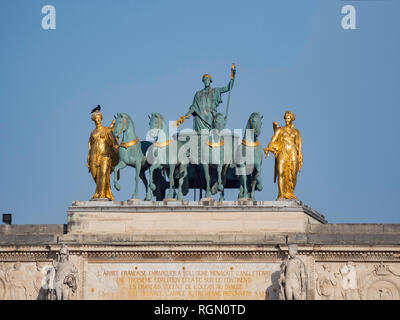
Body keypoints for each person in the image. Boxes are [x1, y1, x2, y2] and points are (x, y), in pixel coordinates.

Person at [176, 65, 236, 133]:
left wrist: (232, 77)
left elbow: (228, 87)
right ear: (203, 82)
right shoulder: (198, 94)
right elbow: (194, 107)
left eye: (207, 79)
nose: (206, 81)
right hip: (200, 118)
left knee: (219, 122)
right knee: (198, 132)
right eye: (204, 80)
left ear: (210, 81)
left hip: (212, 116)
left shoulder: (216, 91)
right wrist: (185, 116)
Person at [264, 111, 303, 200]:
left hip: (293, 152)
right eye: (285, 118)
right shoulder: (280, 130)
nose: (286, 120)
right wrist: (269, 148)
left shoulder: (296, 132)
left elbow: (298, 145)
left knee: (293, 174)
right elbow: (272, 141)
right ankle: (281, 194)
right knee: (281, 172)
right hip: (282, 152)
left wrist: (300, 155)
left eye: (288, 118)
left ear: (292, 119)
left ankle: (290, 192)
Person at [87, 107, 119, 200]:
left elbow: (114, 143)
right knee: (95, 175)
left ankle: (102, 195)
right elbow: (90, 146)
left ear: (101, 118)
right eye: (95, 119)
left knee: (104, 173)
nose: (97, 120)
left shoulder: (107, 130)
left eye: (98, 118)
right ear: (93, 120)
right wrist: (88, 157)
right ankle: (99, 192)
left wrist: (115, 152)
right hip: (94, 156)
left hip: (105, 155)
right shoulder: (92, 133)